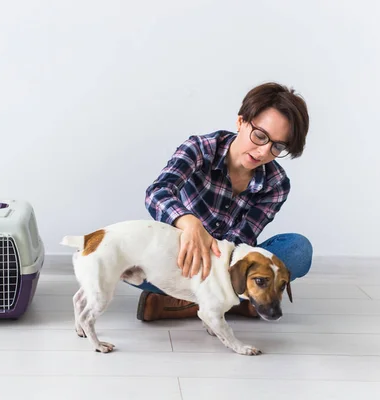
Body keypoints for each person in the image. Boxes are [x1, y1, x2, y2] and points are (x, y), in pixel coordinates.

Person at [134, 82, 312, 321]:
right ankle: (237, 301)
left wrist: (220, 260)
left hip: (227, 265)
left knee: (298, 249)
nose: (263, 152)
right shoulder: (199, 148)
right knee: (129, 255)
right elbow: (157, 192)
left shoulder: (276, 183)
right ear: (241, 122)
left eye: (277, 146)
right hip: (182, 259)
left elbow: (243, 239)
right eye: (260, 136)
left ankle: (189, 302)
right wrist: (190, 224)